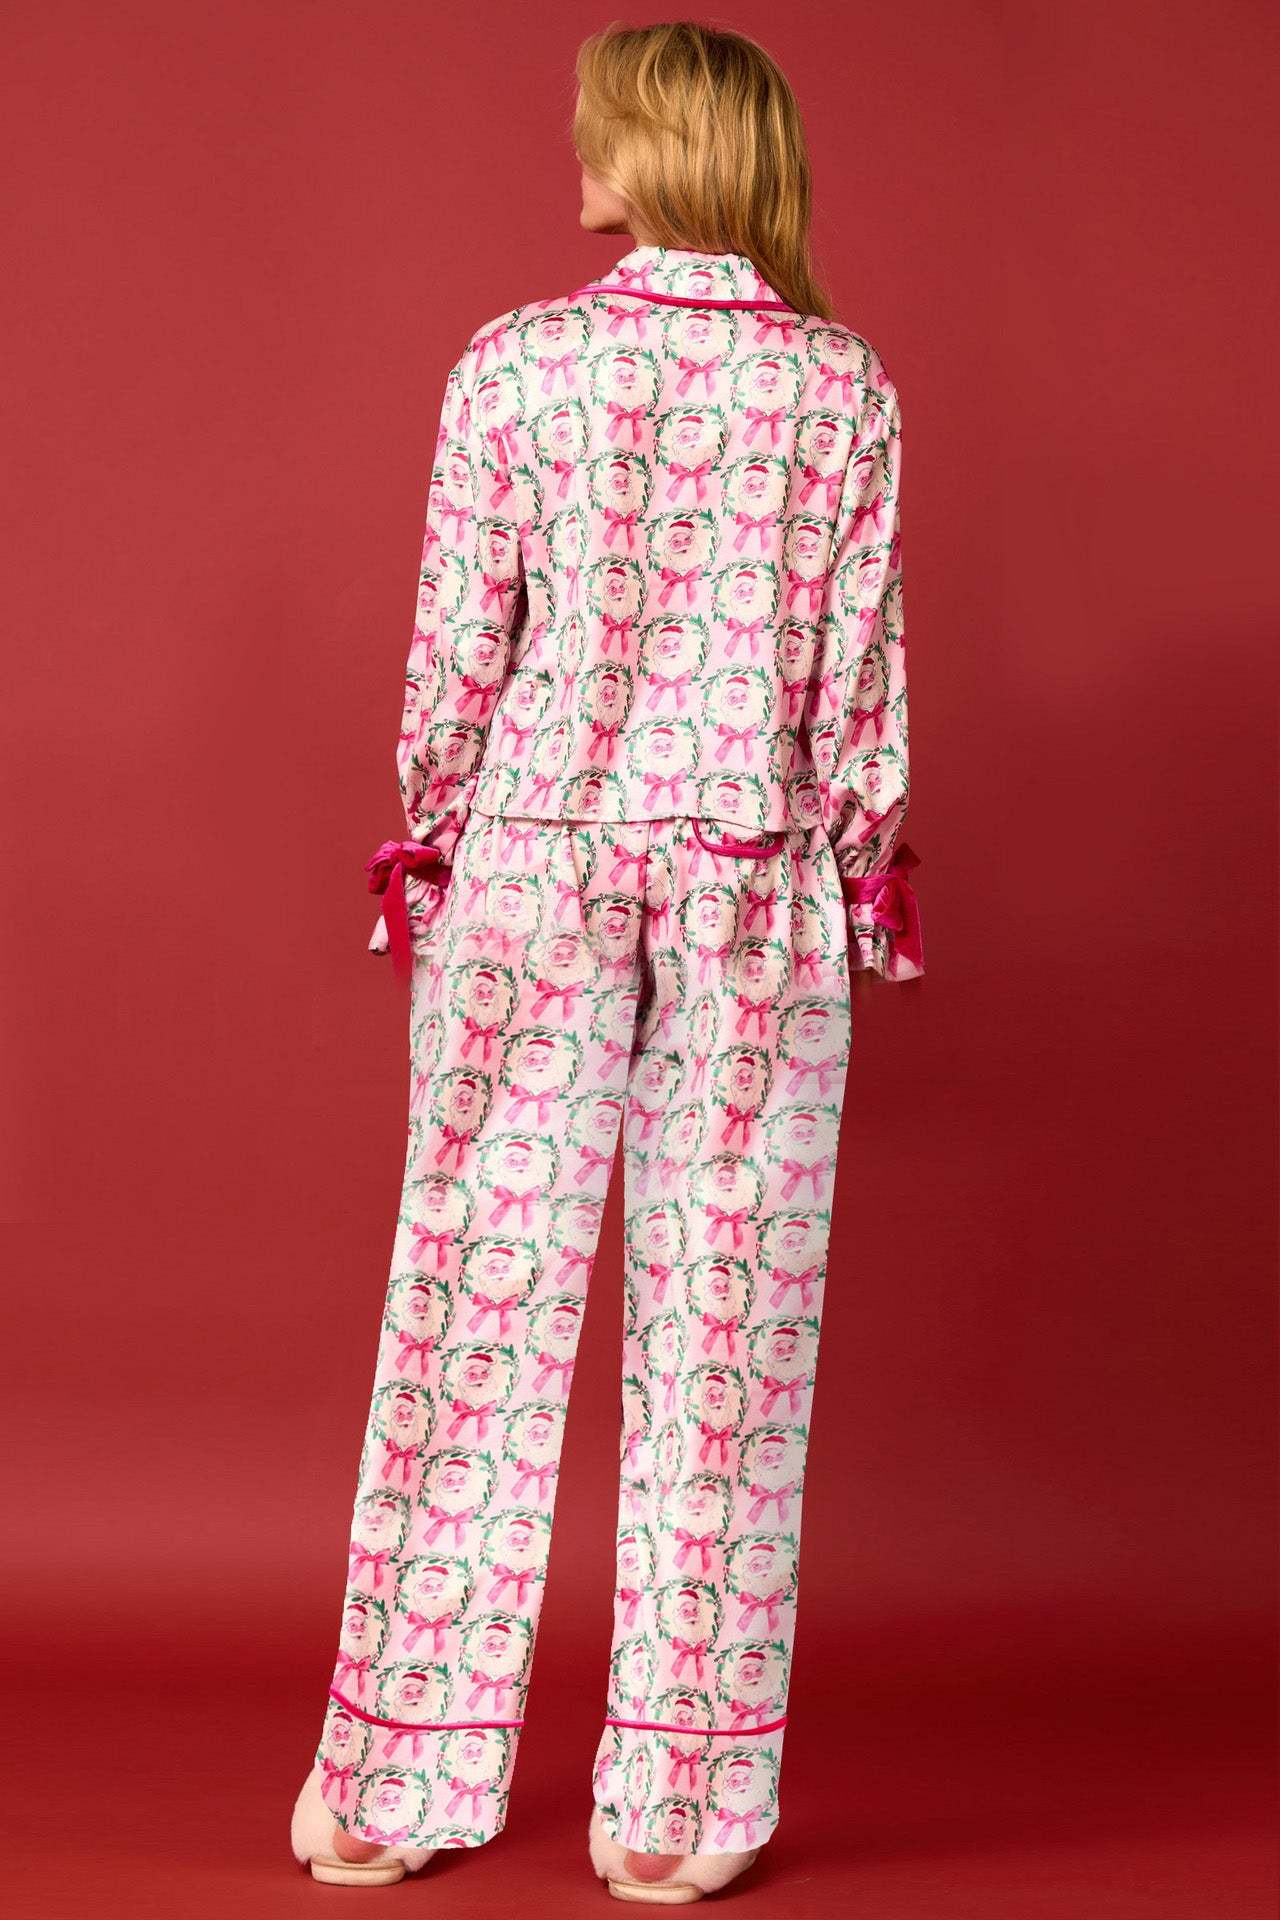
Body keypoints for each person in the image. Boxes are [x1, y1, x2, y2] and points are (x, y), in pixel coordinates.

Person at [290, 18, 924, 1903]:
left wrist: (438, 829)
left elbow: (455, 658)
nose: (575, 149)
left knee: (468, 1312)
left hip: (535, 866)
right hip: (751, 873)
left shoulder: (515, 366)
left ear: (654, 149)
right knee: (731, 1331)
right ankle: (678, 1810)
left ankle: (395, 1779)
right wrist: (856, 866)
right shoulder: (840, 389)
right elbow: (857, 688)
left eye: (598, 125)